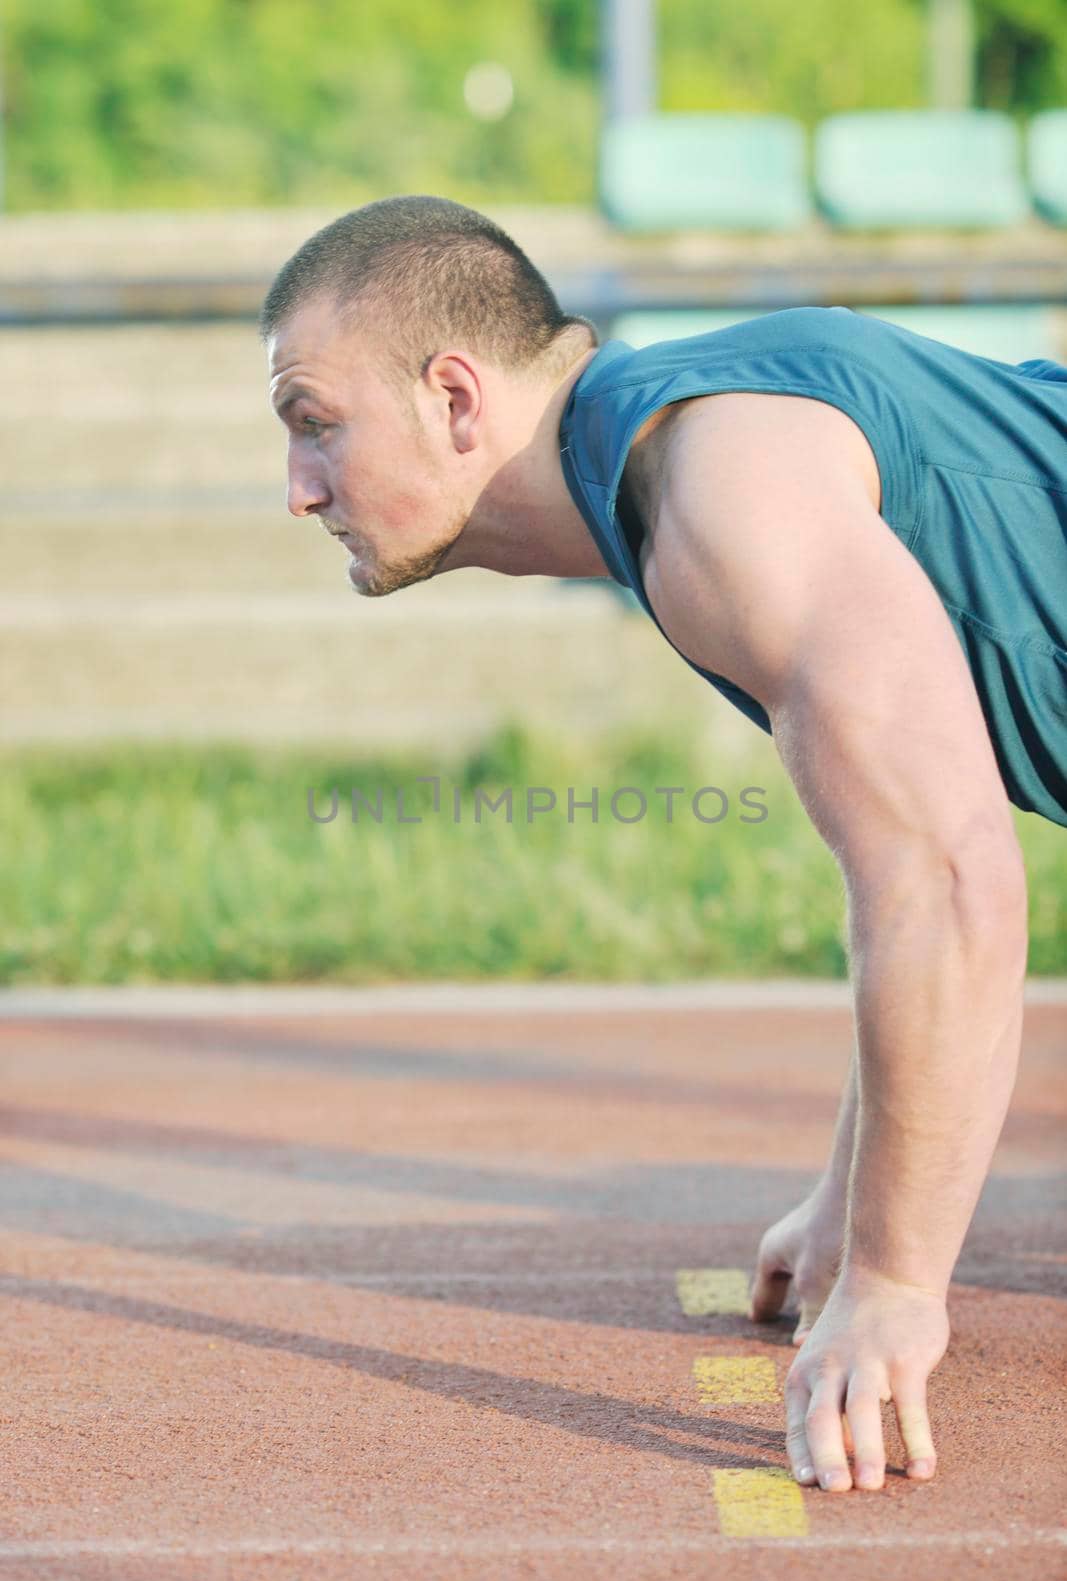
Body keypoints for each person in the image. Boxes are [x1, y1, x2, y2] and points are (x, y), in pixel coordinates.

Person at [261, 194, 1066, 1497]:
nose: (299, 490)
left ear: (457, 399)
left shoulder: (721, 492)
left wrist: (899, 1282)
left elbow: (952, 876)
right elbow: (912, 845)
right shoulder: (683, 462)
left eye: (313, 425)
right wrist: (863, 1201)